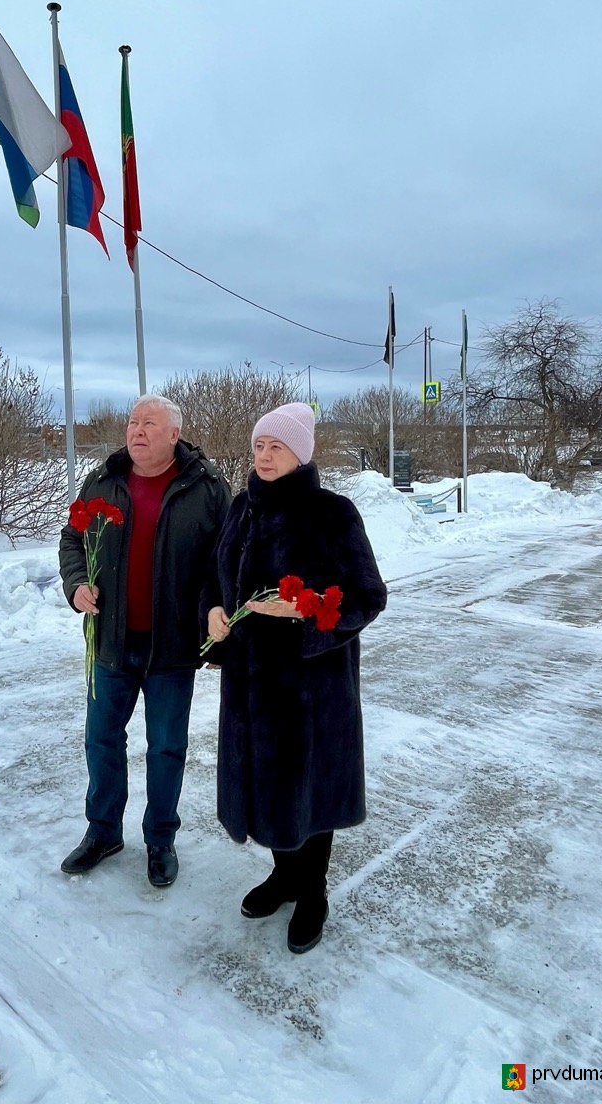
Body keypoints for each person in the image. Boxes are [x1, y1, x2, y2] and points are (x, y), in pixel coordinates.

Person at [204, 402, 387, 953]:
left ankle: (312, 891)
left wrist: (306, 611)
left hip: (311, 687)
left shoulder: (332, 513)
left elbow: (367, 597)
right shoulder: (242, 508)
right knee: (266, 785)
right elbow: (217, 576)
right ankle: (284, 875)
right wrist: (214, 611)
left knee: (309, 789)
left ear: (301, 454)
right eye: (259, 446)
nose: (264, 456)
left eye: (277, 447)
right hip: (249, 683)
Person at [59, 395, 231, 888]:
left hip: (172, 648)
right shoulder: (104, 480)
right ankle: (103, 832)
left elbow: (224, 562)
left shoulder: (206, 487)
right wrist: (76, 584)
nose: (137, 430)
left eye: (149, 423)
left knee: (166, 748)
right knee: (102, 741)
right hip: (110, 642)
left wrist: (216, 621)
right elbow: (72, 540)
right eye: (133, 422)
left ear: (174, 434)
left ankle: (160, 839)